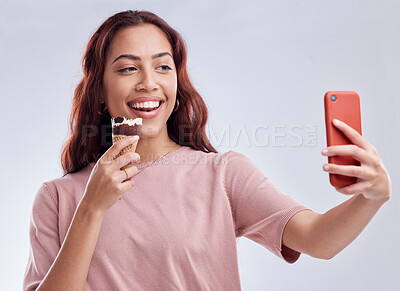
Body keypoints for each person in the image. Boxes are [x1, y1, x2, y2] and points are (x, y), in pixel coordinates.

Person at [23, 10, 391, 291]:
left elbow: (316, 239)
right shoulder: (58, 198)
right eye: (128, 69)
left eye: (162, 66)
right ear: (100, 92)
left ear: (176, 84)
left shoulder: (223, 175)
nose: (148, 82)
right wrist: (91, 208)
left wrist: (372, 198)